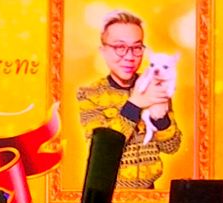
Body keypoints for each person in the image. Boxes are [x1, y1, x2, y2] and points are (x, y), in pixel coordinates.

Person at [76, 10, 182, 189]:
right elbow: (102, 152)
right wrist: (135, 104)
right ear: (103, 51)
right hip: (108, 194)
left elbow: (171, 147)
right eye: (119, 47)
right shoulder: (90, 93)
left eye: (137, 48)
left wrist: (161, 118)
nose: (129, 56)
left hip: (148, 194)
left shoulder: (155, 84)